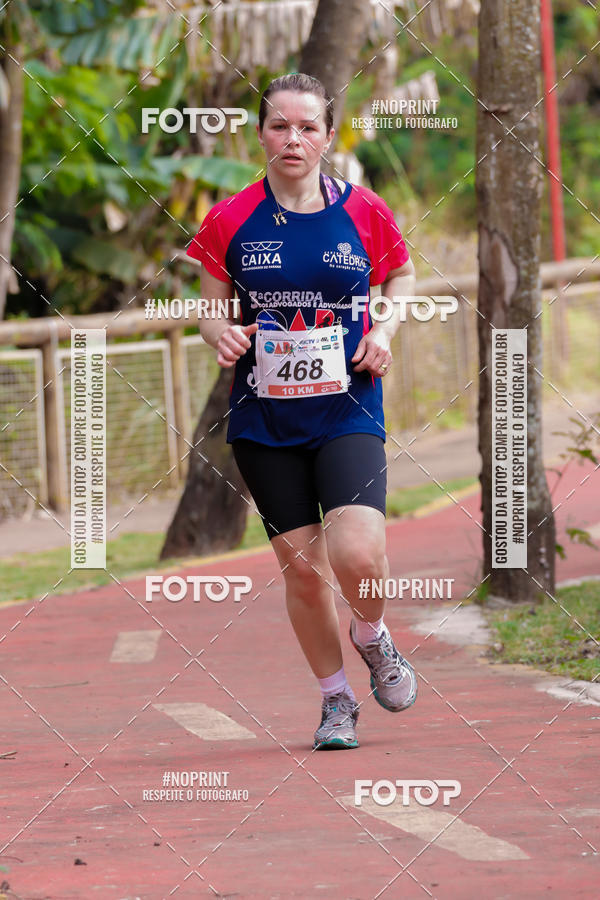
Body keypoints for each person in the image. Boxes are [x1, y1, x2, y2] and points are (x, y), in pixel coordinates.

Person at [187, 73, 418, 750]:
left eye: (308, 126)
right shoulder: (229, 218)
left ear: (327, 135)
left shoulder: (362, 210)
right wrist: (219, 333)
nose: (293, 138)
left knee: (357, 552)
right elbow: (209, 306)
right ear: (260, 133)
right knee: (303, 570)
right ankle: (336, 700)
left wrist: (382, 330)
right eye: (280, 126)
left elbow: (401, 274)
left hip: (347, 407)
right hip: (266, 422)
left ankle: (372, 635)